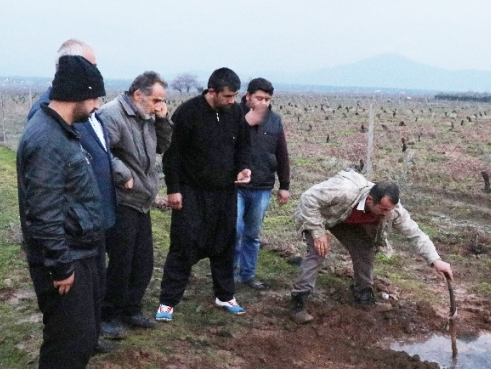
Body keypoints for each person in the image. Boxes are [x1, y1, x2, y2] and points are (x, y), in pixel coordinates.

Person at [17, 55, 106, 369]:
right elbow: (44, 214)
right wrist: (60, 266)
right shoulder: (47, 140)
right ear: (80, 95)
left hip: (81, 249)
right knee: (69, 335)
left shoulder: (60, 129)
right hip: (65, 256)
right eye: (96, 99)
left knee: (82, 332)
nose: (98, 106)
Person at [28, 39, 119, 356]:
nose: (96, 102)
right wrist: (59, 261)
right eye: (90, 66)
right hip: (72, 231)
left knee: (92, 296)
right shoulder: (49, 117)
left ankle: (88, 342)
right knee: (68, 319)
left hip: (91, 221)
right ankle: (72, 365)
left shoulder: (85, 109)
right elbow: (45, 202)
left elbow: (101, 155)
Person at [155, 67, 267, 321]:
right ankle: (168, 301)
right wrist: (173, 189)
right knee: (184, 244)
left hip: (225, 192)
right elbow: (173, 155)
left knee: (225, 244)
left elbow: (243, 146)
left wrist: (243, 167)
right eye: (227, 96)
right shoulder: (187, 113)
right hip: (192, 191)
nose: (231, 101)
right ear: (212, 91)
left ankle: (225, 295)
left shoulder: (236, 112)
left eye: (234, 96)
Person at [289, 170, 454, 324]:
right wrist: (318, 233)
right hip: (323, 215)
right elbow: (308, 198)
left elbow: (416, 234)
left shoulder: (393, 211)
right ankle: (299, 300)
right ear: (370, 200)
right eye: (382, 209)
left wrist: (435, 260)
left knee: (365, 250)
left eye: (389, 210)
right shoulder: (345, 192)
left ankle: (364, 295)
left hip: (347, 221)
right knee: (318, 252)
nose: (386, 214)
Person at [96, 72, 172, 336]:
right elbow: (99, 151)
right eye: (156, 100)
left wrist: (163, 121)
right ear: (138, 95)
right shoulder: (111, 115)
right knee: (121, 261)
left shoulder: (148, 116)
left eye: (162, 100)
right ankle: (109, 315)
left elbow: (162, 147)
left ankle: (132, 309)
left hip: (142, 199)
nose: (158, 105)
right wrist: (123, 174)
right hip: (122, 199)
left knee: (144, 261)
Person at [234, 77, 290, 290]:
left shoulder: (274, 121)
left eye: (267, 99)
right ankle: (229, 273)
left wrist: (284, 185)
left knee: (252, 233)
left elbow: (282, 154)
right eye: (259, 98)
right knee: (234, 229)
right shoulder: (234, 117)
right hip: (236, 186)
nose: (263, 103)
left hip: (263, 186)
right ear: (248, 96)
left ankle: (248, 274)